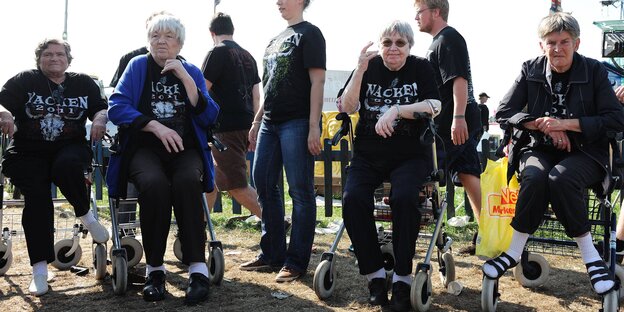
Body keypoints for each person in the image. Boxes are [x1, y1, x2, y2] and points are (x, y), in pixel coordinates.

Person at [482, 12, 624, 296]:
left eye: (564, 42)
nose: (557, 48)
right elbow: (505, 111)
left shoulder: (594, 71)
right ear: (541, 45)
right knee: (534, 177)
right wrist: (543, 125)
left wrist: (567, 125)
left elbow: (616, 119)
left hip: (585, 152)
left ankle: (590, 257)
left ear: (577, 43)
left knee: (561, 179)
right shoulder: (529, 69)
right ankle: (513, 251)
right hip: (537, 146)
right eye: (551, 42)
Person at [106, 13, 220, 305]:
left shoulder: (191, 70)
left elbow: (209, 115)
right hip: (145, 149)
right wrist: (153, 125)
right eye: (155, 36)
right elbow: (117, 107)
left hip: (186, 149)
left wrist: (185, 78)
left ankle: (197, 269)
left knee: (186, 183)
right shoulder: (137, 66)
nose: (161, 41)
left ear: (179, 43)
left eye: (168, 36)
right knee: (154, 185)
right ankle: (155, 270)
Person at [338, 20, 441, 311]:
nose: (393, 48)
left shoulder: (421, 68)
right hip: (369, 154)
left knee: (405, 198)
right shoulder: (367, 68)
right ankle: (375, 277)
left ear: (409, 47)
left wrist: (397, 109)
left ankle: (402, 279)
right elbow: (346, 106)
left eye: (400, 43)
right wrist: (359, 70)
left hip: (410, 154)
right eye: (387, 43)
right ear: (379, 45)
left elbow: (435, 105)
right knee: (353, 199)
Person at [0, 38, 110, 296]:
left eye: (60, 54)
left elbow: (100, 109)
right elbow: (2, 102)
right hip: (28, 150)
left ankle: (85, 215)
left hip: (69, 146)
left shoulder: (83, 82)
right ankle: (39, 270)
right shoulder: (25, 79)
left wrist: (100, 120)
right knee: (37, 196)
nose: (54, 58)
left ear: (68, 59)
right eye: (48, 54)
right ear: (39, 59)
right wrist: (4, 113)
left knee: (67, 165)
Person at [240, 0, 326, 283]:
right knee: (262, 181)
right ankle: (273, 253)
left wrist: (314, 126)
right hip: (270, 122)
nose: (278, 1)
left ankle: (296, 260)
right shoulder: (275, 40)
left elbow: (317, 82)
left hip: (298, 122)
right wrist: (257, 120)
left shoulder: (311, 34)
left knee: (300, 191)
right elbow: (270, 84)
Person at [414, 0, 482, 254]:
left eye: (419, 12)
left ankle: (413, 235)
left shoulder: (448, 38)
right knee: (466, 173)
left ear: (435, 12)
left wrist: (459, 117)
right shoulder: (439, 41)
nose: (416, 18)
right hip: (452, 121)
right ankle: (486, 234)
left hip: (456, 122)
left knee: (436, 174)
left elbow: (459, 80)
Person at [201, 12, 262, 219]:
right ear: (232, 31)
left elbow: (201, 91)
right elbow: (256, 96)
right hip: (246, 125)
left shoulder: (216, 53)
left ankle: (275, 222)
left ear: (212, 33)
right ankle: (197, 228)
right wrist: (255, 125)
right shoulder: (249, 56)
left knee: (236, 186)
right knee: (210, 182)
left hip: (224, 129)